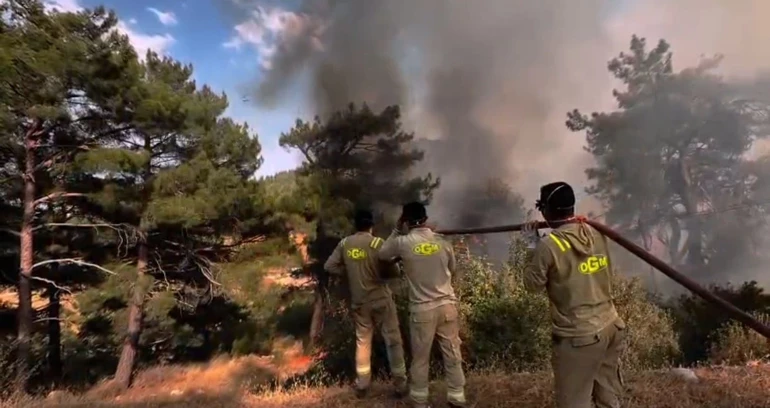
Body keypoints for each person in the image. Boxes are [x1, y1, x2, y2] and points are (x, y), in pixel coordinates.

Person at [522, 181, 626, 408]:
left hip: (580, 337)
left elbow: (532, 285)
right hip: (611, 326)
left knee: (573, 402)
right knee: (608, 397)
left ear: (548, 211)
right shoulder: (596, 231)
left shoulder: (549, 246)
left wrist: (532, 245)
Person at [378, 202, 467, 408]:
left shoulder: (402, 243)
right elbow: (452, 269)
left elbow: (383, 254)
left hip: (422, 310)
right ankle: (457, 397)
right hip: (447, 306)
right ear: (426, 219)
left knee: (420, 359)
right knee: (453, 353)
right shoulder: (443, 242)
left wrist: (396, 230)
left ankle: (419, 401)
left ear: (406, 221)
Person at [324, 209, 408, 398]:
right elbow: (395, 272)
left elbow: (329, 266)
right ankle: (400, 385)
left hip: (359, 302)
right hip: (380, 299)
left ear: (355, 225)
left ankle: (362, 385)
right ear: (371, 225)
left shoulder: (345, 244)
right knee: (393, 341)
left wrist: (350, 272)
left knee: (363, 342)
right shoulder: (378, 243)